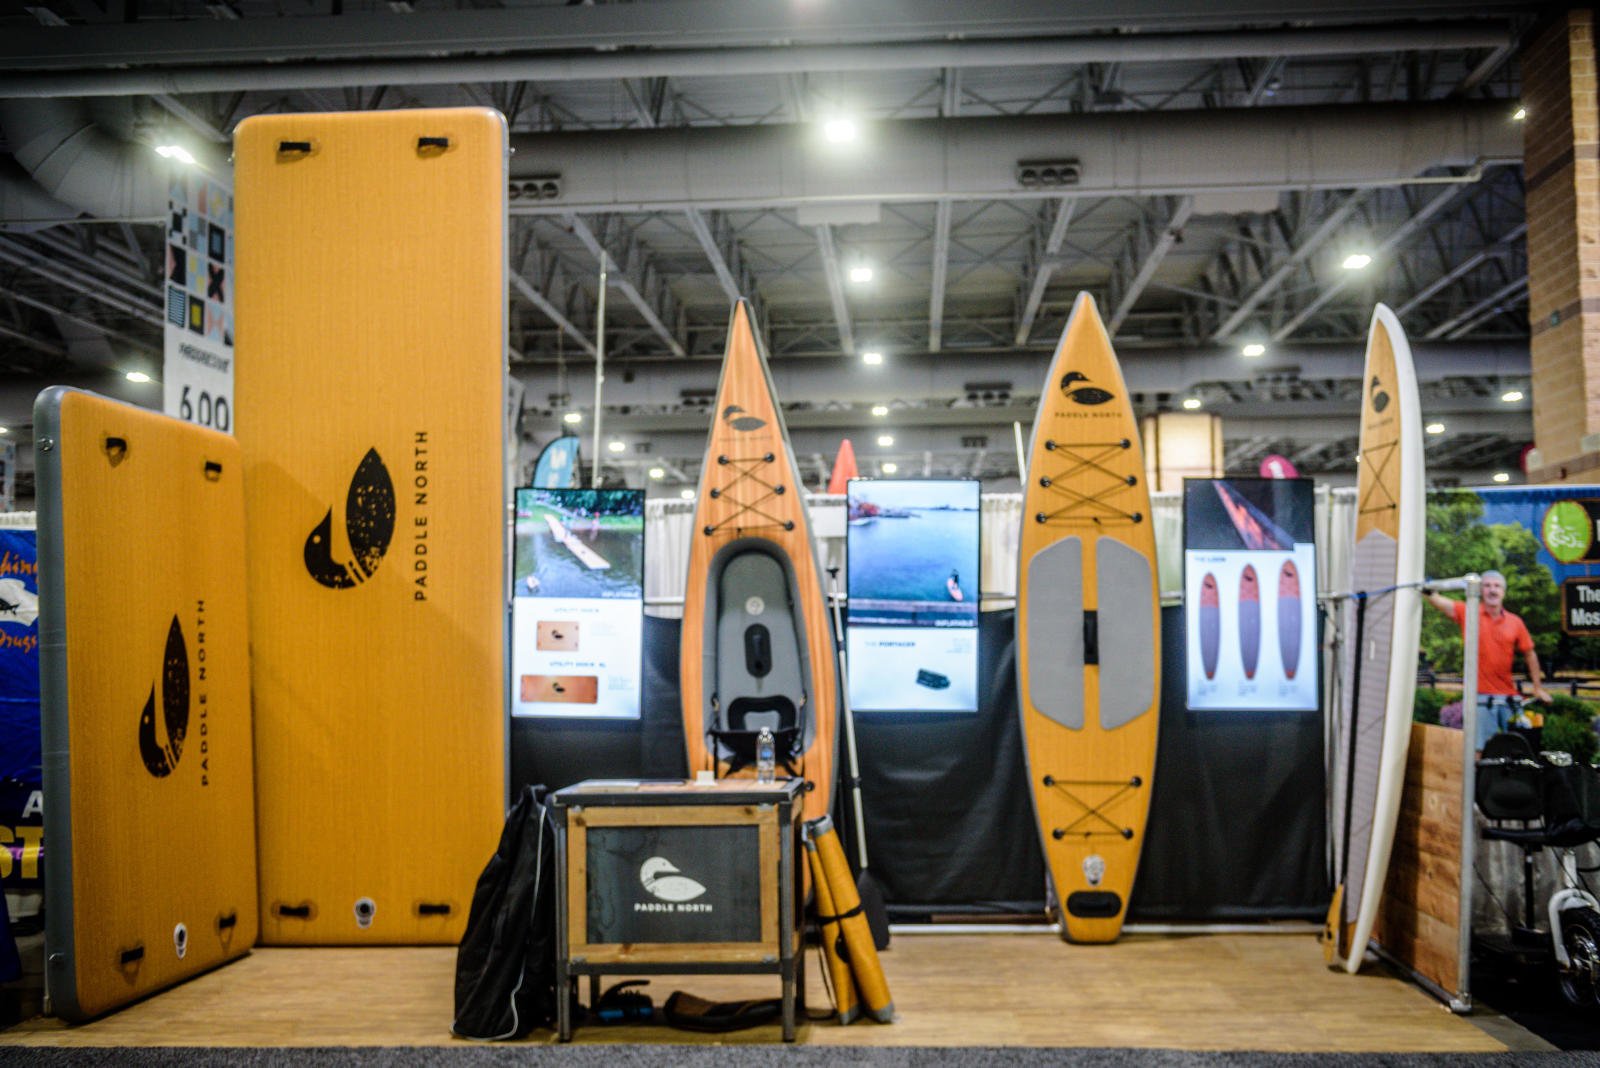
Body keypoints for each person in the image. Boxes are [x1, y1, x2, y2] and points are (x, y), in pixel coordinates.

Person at [1425, 570, 1552, 749]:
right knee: (1481, 750)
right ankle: (1479, 777)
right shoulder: (1468, 612)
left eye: (1497, 586)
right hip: (1480, 697)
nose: (1492, 590)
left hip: (1509, 698)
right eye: (1487, 586)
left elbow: (1530, 654)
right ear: (1480, 590)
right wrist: (1429, 589)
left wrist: (1538, 688)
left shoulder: (1515, 622)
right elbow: (1439, 601)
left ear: (1504, 592)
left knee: (1520, 749)